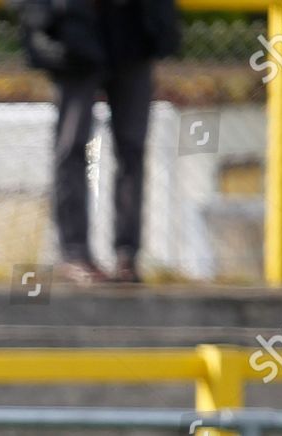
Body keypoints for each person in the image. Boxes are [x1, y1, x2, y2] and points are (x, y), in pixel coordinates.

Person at [16, 0, 181, 284]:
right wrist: (44, 16)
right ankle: (74, 254)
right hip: (75, 34)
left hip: (133, 33)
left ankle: (127, 256)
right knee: (72, 147)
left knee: (132, 149)